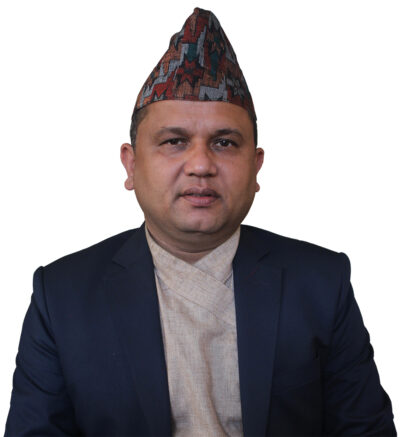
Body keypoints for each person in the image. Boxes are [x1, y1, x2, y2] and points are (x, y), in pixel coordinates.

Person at [5, 7, 396, 437]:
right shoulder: (63, 296)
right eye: (174, 141)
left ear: (256, 166)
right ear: (131, 165)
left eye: (224, 143)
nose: (201, 165)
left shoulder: (320, 283)